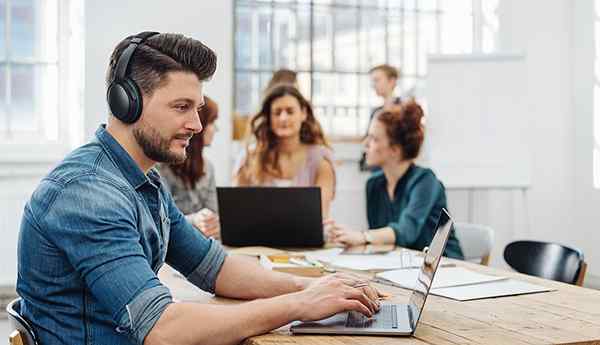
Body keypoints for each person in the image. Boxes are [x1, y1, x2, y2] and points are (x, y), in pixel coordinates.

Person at [16, 32, 383, 345]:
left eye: (198, 108)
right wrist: (300, 305)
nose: (196, 124)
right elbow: (161, 328)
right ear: (126, 103)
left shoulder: (145, 183)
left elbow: (215, 267)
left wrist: (311, 287)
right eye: (181, 107)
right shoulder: (87, 194)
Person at [329, 101, 464, 259]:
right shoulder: (374, 185)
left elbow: (407, 232)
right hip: (402, 269)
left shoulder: (425, 181)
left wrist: (362, 236)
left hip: (446, 270)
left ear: (395, 150)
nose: (365, 144)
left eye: (374, 139)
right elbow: (381, 243)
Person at [234, 84, 336, 218]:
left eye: (290, 111)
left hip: (306, 238)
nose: (283, 118)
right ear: (269, 118)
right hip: (256, 238)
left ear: (303, 113)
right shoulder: (250, 158)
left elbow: (320, 216)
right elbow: (237, 210)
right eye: (277, 112)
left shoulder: (321, 161)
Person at [160, 95, 220, 238]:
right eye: (212, 122)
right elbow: (159, 221)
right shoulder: (160, 167)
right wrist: (194, 221)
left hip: (200, 244)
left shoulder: (208, 167)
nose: (216, 129)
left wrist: (212, 222)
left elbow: (214, 214)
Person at [360, 64, 402, 171]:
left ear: (392, 81)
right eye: (372, 81)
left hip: (396, 166)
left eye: (377, 80)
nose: (374, 85)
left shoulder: (404, 110)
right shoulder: (376, 112)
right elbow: (367, 140)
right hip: (377, 167)